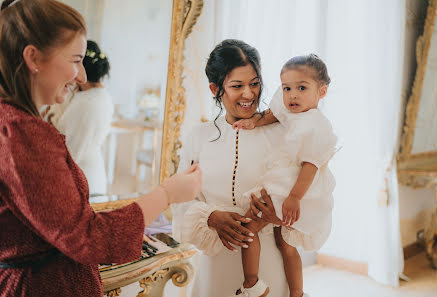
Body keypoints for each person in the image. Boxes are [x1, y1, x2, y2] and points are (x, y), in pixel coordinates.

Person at [0, 1, 201, 296]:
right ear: (33, 58)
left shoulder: (16, 123)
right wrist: (167, 194)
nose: (81, 76)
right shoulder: (21, 133)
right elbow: (88, 238)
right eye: (75, 59)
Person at [172, 39, 291, 297]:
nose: (248, 94)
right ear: (216, 89)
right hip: (216, 265)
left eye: (255, 83)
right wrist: (211, 217)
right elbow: (180, 201)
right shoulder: (198, 137)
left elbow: (311, 197)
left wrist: (277, 215)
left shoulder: (283, 133)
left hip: (269, 266)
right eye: (237, 86)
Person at [232, 54, 337, 297]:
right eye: (287, 88)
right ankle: (297, 294)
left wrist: (294, 198)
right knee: (286, 245)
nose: (293, 95)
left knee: (248, 228)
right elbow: (274, 113)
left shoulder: (317, 124)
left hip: (293, 187)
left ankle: (251, 286)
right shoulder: (292, 110)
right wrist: (255, 123)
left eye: (302, 88)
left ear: (322, 92)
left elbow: (311, 164)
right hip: (288, 185)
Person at [46, 39, 113, 195]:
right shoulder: (103, 96)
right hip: (95, 176)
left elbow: (67, 150)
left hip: (80, 181)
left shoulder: (84, 103)